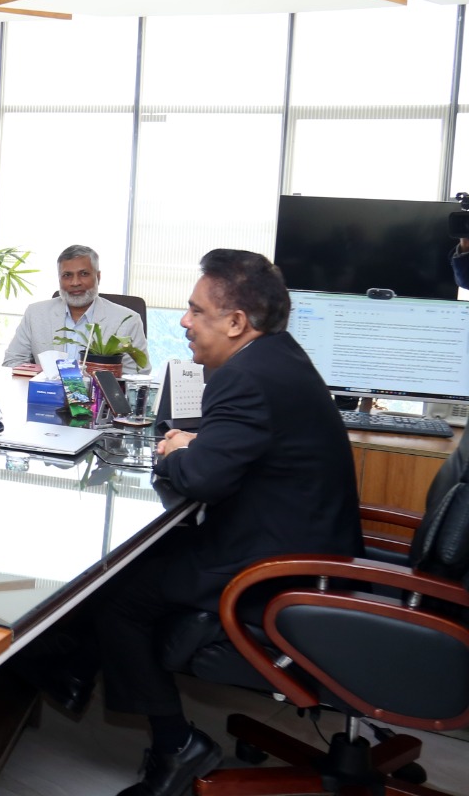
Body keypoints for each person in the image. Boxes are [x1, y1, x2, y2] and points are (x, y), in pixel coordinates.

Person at [95, 249, 361, 796]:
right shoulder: (278, 358)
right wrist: (201, 444)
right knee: (138, 562)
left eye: (196, 310)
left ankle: (176, 745)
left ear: (237, 322)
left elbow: (202, 481)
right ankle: (71, 678)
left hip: (275, 570)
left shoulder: (244, 377)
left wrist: (174, 453)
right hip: (312, 547)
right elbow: (251, 445)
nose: (183, 321)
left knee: (114, 592)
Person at [2, 244, 147, 375]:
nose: (75, 282)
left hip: (100, 396)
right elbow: (12, 362)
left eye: (84, 274)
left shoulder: (126, 320)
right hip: (46, 393)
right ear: (59, 279)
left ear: (98, 277)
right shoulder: (36, 313)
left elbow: (138, 374)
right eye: (67, 275)